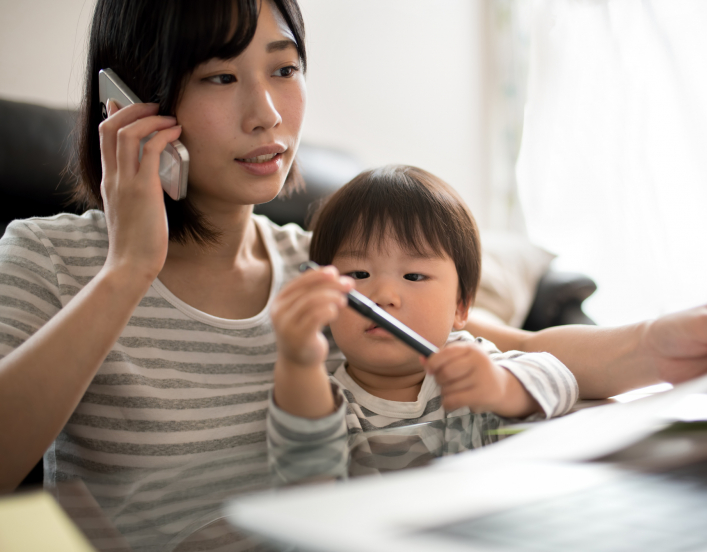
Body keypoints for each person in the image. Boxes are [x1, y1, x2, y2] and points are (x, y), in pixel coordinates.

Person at [1, 0, 707, 499]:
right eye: (221, 77)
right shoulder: (52, 259)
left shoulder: (324, 268)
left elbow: (490, 343)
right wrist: (129, 269)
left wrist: (658, 341)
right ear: (133, 103)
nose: (267, 114)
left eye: (283, 69)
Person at [267, 165, 578, 473]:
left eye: (413, 275)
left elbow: (560, 378)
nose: (384, 295)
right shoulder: (324, 399)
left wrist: (502, 387)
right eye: (359, 274)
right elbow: (305, 477)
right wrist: (299, 361)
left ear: (461, 306)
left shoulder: (468, 363)